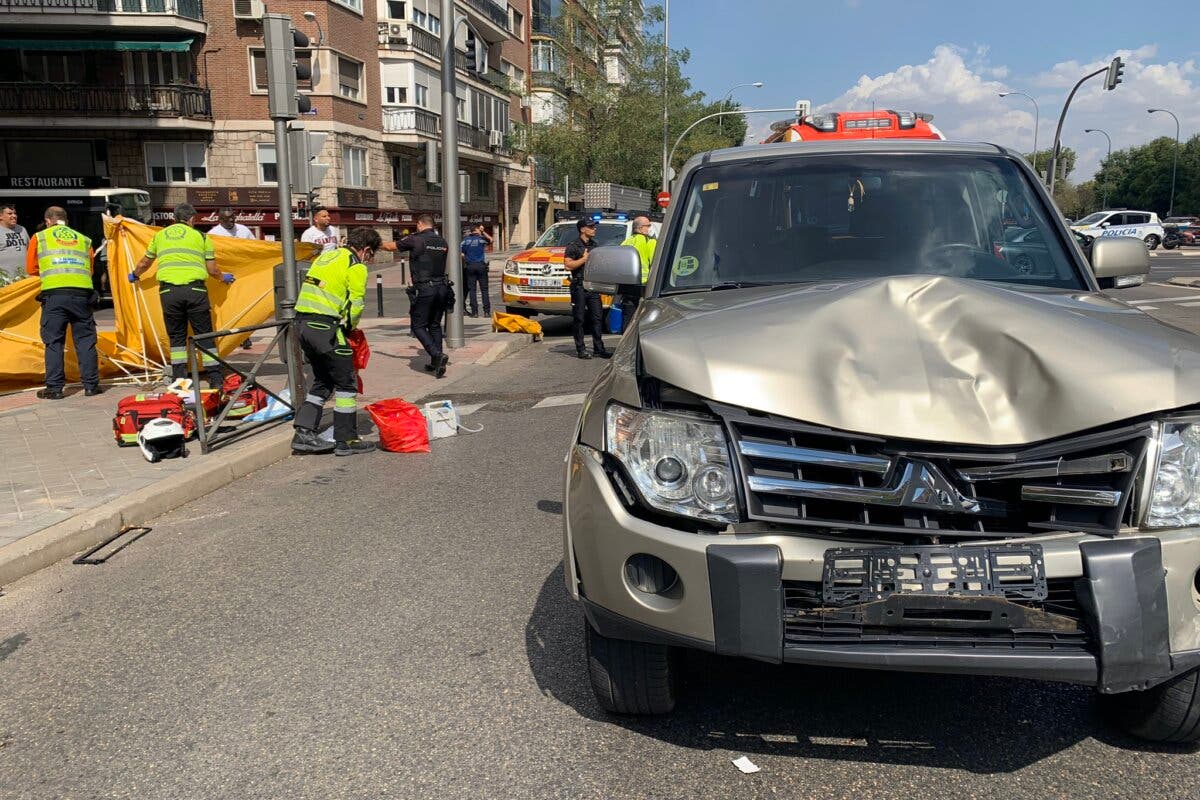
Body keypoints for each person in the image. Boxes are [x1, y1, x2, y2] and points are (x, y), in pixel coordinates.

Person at [290, 226, 381, 457]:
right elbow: (356, 303)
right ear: (366, 250)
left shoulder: (327, 255)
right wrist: (350, 327)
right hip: (325, 327)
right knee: (346, 382)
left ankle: (303, 432)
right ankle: (346, 440)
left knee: (323, 380)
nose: (369, 261)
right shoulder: (355, 265)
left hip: (302, 324)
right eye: (371, 256)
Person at [130, 202, 234, 388]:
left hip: (169, 292)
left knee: (177, 337)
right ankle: (216, 380)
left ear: (174, 218)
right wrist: (223, 277)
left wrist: (135, 275)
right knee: (205, 336)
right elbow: (212, 269)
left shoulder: (159, 236)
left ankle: (180, 381)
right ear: (191, 219)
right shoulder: (201, 237)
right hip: (196, 291)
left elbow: (144, 263)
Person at [24, 206, 102, 399]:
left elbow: (32, 268)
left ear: (48, 220)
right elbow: (90, 270)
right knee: (85, 341)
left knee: (54, 342)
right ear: (66, 220)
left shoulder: (40, 237)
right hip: (82, 296)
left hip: (54, 296)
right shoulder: (84, 240)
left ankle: (55, 388)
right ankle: (91, 386)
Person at [397, 214, 451, 376]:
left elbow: (392, 246)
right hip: (442, 287)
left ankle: (437, 355)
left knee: (418, 325)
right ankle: (437, 364)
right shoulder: (442, 241)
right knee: (434, 324)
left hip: (426, 288)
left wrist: (374, 244)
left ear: (420, 224)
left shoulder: (416, 239)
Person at [564, 218, 608, 359]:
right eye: (591, 227)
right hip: (579, 286)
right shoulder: (573, 246)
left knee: (597, 318)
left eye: (594, 226)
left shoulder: (595, 245)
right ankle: (581, 349)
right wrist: (583, 259)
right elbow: (568, 265)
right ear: (582, 229)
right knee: (579, 319)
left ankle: (598, 348)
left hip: (593, 287)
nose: (594, 229)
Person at [618, 215, 656, 324]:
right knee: (644, 319)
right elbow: (655, 262)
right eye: (648, 226)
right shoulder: (649, 242)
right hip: (644, 285)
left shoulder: (626, 242)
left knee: (629, 318)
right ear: (640, 228)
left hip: (626, 285)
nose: (649, 228)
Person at [460, 224, 493, 317]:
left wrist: (466, 258)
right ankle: (486, 312)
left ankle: (475, 312)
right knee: (484, 290)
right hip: (481, 266)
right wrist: (483, 232)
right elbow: (491, 240)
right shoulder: (481, 239)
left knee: (472, 290)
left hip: (470, 266)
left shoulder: (465, 241)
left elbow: (461, 253)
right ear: (476, 230)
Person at [0, 203, 30, 285]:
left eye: (15, 213)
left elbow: (29, 250)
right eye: (10, 213)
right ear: (1, 216)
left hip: (25, 279)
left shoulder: (22, 229)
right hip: (5, 282)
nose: (14, 216)